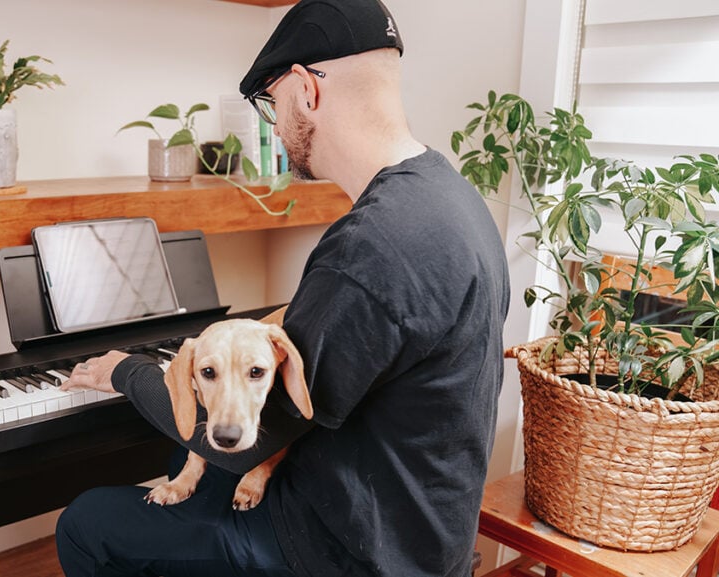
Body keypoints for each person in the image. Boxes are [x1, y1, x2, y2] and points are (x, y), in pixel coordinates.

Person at [56, 0, 509, 575]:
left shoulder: (374, 243)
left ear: (306, 90)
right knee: (184, 449)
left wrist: (124, 368)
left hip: (352, 551)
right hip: (421, 526)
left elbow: (253, 438)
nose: (276, 122)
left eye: (272, 103)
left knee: (86, 523)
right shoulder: (450, 198)